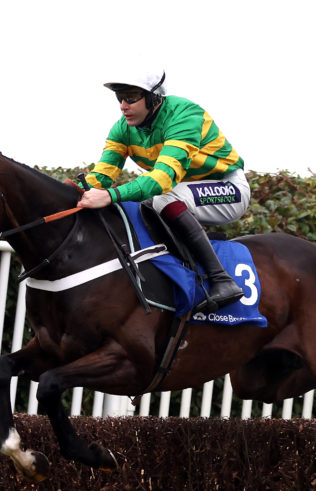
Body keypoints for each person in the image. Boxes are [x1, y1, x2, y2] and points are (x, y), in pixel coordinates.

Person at [77, 70, 251, 313]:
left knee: (162, 199)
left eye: (130, 98)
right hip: (184, 192)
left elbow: (161, 180)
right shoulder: (122, 129)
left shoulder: (185, 115)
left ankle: (222, 280)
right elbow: (101, 177)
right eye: (119, 98)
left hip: (229, 189)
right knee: (145, 207)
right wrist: (72, 192)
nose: (123, 106)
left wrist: (109, 196)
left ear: (154, 97)